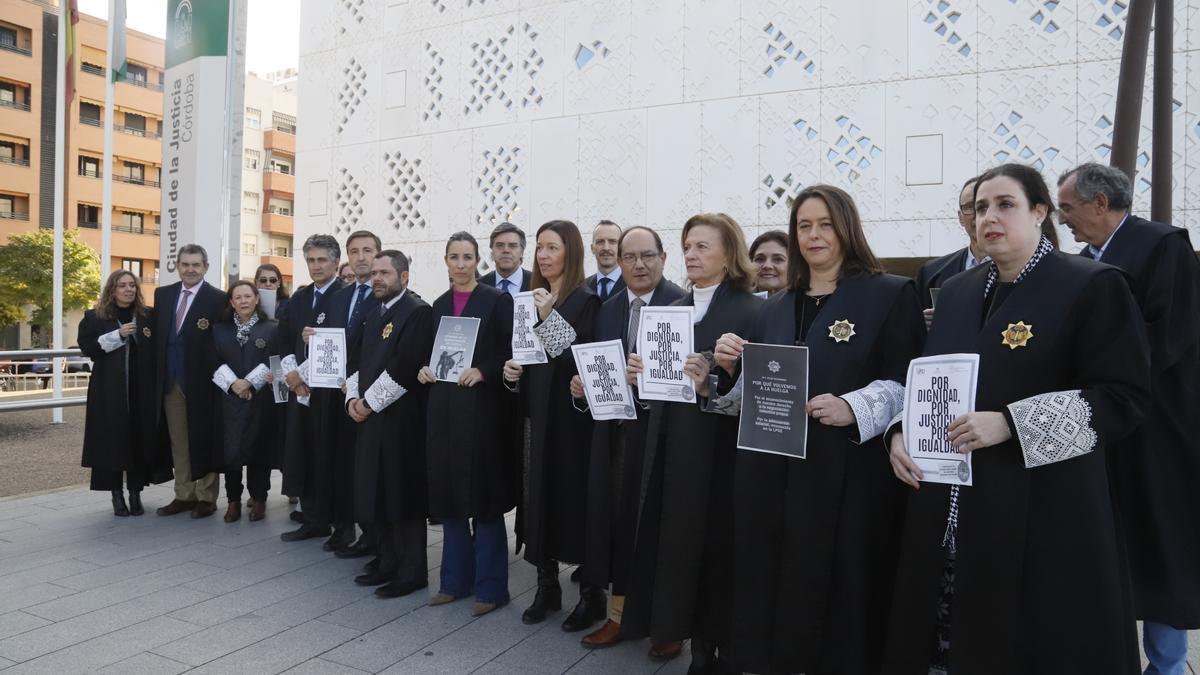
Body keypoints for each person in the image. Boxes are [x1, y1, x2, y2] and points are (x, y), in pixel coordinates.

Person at [883, 163, 1152, 674]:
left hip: (1048, 510)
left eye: (1005, 204)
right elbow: (930, 380)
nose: (989, 216)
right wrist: (902, 433)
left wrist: (1013, 423)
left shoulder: (1092, 286)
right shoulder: (958, 290)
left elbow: (1124, 397)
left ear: (1040, 211)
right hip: (953, 509)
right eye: (981, 207)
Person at [694, 186, 925, 673]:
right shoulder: (775, 305)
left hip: (843, 472)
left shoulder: (889, 294)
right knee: (771, 585)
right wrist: (732, 368)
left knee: (837, 592)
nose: (813, 235)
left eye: (824, 224)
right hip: (770, 475)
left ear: (847, 227)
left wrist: (853, 406)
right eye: (804, 225)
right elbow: (758, 389)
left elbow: (911, 382)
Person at [1057, 162, 1200, 675]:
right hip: (1098, 426)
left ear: (1100, 203)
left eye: (1068, 208)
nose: (1063, 219)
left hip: (1157, 429)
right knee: (1103, 546)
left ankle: (1168, 667)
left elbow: (1169, 334)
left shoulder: (1164, 247)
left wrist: (1102, 365)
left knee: (1161, 545)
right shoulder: (1076, 264)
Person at [622, 214, 763, 670]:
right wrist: (641, 376)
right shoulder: (672, 309)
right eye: (688, 246)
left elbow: (762, 396)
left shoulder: (753, 310)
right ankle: (692, 642)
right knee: (679, 550)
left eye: (703, 246)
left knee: (719, 551)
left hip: (723, 456)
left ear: (729, 253)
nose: (692, 255)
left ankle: (720, 649)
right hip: (673, 451)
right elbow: (660, 388)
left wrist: (715, 384)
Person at [571, 226, 686, 649]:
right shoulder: (608, 307)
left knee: (661, 530)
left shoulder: (683, 304)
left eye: (648, 256)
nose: (639, 265)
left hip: (665, 440)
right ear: (617, 262)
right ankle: (618, 617)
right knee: (619, 527)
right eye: (630, 257)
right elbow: (597, 366)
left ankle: (666, 625)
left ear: (663, 258)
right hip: (618, 437)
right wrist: (583, 388)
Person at [502, 220, 601, 629]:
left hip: (570, 422)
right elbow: (527, 354)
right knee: (536, 499)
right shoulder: (528, 300)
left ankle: (592, 594)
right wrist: (512, 373)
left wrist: (547, 316)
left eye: (552, 248)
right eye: (540, 248)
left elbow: (580, 358)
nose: (543, 255)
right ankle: (547, 586)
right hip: (535, 417)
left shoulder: (587, 300)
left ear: (571, 253)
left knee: (572, 503)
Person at [419, 231, 515, 617]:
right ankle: (453, 582)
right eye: (454, 256)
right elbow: (429, 353)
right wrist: (424, 369)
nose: (460, 264)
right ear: (445, 260)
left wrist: (484, 370)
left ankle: (492, 589)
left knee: (485, 502)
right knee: (450, 500)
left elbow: (510, 352)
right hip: (444, 412)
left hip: (482, 414)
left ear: (479, 261)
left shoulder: (496, 300)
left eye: (467, 257)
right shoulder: (438, 305)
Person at [345, 250, 433, 598]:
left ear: (404, 277)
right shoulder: (372, 311)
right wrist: (352, 398)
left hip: (400, 420)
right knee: (375, 491)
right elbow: (356, 361)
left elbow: (405, 365)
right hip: (368, 418)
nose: (377, 278)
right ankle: (386, 561)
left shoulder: (417, 312)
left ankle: (412, 572)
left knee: (402, 494)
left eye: (385, 273)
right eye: (375, 273)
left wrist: (368, 403)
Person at [278, 234, 346, 542]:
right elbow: (283, 340)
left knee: (327, 452)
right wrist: (291, 374)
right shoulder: (299, 298)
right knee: (301, 449)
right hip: (300, 390)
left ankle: (333, 517)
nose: (316, 266)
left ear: (335, 262)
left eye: (322, 260)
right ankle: (311, 516)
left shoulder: (345, 296)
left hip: (331, 392)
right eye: (311, 260)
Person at [78, 269, 162, 517]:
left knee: (138, 440)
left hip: (141, 391)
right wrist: (117, 335)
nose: (128, 289)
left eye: (132, 285)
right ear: (112, 290)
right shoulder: (95, 317)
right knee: (112, 442)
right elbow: (88, 349)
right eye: (122, 285)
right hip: (110, 392)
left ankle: (136, 493)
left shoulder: (148, 316)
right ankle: (116, 494)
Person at [152, 245, 226, 519]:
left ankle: (206, 497)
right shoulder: (163, 295)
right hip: (171, 380)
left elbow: (223, 341)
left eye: (196, 265)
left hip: (204, 383)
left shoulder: (217, 299)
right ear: (177, 266)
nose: (190, 269)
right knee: (178, 441)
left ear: (205, 267)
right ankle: (184, 494)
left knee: (203, 439)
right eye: (185, 264)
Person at [324, 231, 384, 558]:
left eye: (367, 251)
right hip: (337, 393)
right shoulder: (339, 297)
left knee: (368, 468)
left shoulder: (385, 296)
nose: (361, 257)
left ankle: (371, 534)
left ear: (378, 254)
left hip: (369, 395)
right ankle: (343, 525)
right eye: (354, 251)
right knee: (342, 462)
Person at [211, 281, 276, 523]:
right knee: (232, 452)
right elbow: (213, 360)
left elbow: (274, 360)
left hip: (260, 399)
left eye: (248, 296)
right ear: (231, 302)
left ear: (257, 298)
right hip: (229, 399)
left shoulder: (271, 328)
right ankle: (233, 501)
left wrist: (249, 383)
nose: (243, 301)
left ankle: (259, 499)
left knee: (260, 449)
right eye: (237, 297)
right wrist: (235, 385)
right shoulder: (219, 329)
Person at [915, 177, 987, 318]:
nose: (978, 215)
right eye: (970, 207)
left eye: (984, 207)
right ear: (960, 217)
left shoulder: (1021, 269)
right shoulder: (932, 272)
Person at [254, 263, 292, 507]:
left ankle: (292, 486)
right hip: (256, 373)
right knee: (259, 435)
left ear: (279, 283)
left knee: (286, 432)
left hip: (280, 370)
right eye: (263, 280)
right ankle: (259, 492)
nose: (268, 284)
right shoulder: (248, 304)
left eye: (272, 280)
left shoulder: (289, 307)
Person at [480, 222, 531, 295]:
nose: (506, 250)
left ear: (522, 252)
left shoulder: (538, 284)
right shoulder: (479, 287)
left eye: (512, 246)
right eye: (500, 245)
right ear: (492, 251)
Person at [587, 220, 625, 301]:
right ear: (592, 248)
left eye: (612, 242)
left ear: (622, 247)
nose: (606, 248)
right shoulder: (582, 287)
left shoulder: (633, 286)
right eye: (600, 242)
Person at [749, 230, 789, 296]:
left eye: (778, 259)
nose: (767, 266)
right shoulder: (735, 303)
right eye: (759, 259)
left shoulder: (805, 304)